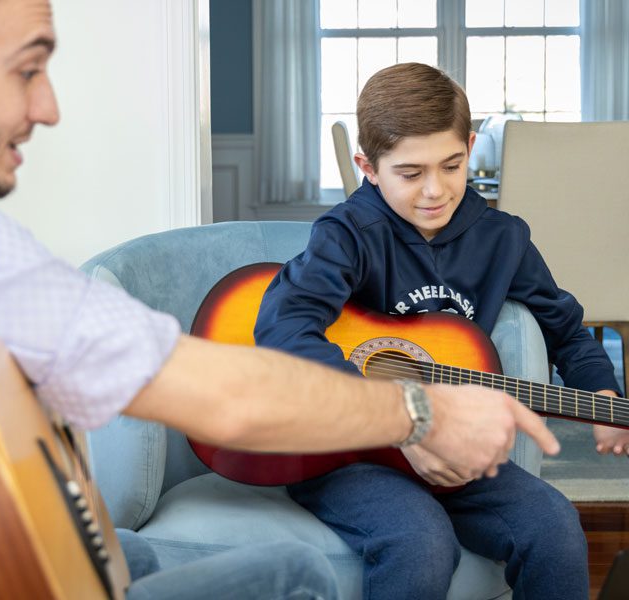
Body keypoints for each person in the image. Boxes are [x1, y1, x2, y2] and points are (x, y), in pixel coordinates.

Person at [0, 3, 560, 599]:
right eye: (28, 69)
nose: (49, 107)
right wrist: (419, 412)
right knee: (299, 577)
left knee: (245, 568)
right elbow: (220, 396)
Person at [254, 62, 628, 600]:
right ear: (368, 166)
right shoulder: (347, 235)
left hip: (453, 451)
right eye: (410, 173)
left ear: (470, 145)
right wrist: (401, 422)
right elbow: (283, 328)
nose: (435, 190)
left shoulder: (503, 240)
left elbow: (565, 328)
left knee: (553, 524)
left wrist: (603, 395)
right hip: (346, 455)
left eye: (451, 165)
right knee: (421, 541)